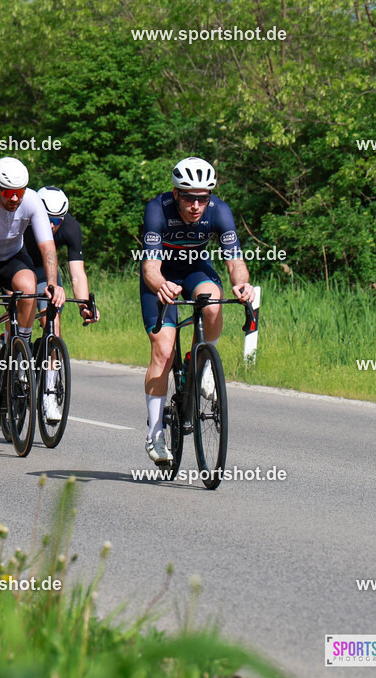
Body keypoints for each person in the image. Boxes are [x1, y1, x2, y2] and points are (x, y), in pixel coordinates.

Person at [140, 157, 254, 463]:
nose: (196, 205)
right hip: (162, 275)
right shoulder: (157, 210)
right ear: (176, 194)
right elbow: (150, 265)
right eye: (189, 197)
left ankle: (202, 365)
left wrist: (242, 284)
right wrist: (160, 284)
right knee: (163, 352)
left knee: (213, 300)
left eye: (203, 198)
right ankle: (155, 435)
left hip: (194, 268)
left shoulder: (220, 211)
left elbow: (234, 261)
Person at [0, 157, 65, 434]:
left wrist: (52, 282)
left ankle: (22, 350)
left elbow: (47, 247)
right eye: (8, 193)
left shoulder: (31, 201)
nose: (15, 198)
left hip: (12, 259)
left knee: (30, 285)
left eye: (20, 191)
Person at [24, 186, 99, 420]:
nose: (53, 225)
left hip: (47, 274)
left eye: (57, 220)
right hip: (20, 269)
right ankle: (16, 358)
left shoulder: (71, 227)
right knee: (19, 310)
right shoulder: (23, 221)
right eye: (48, 220)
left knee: (53, 322)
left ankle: (49, 392)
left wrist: (84, 305)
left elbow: (77, 274)